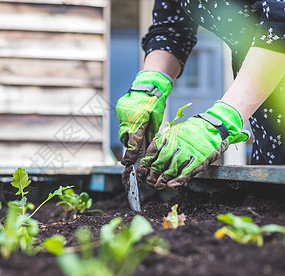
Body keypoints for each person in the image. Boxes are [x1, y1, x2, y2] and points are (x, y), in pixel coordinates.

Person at [116, 0, 285, 190]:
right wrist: (150, 84)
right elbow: (171, 27)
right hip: (265, 104)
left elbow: (281, 19)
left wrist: (221, 119)